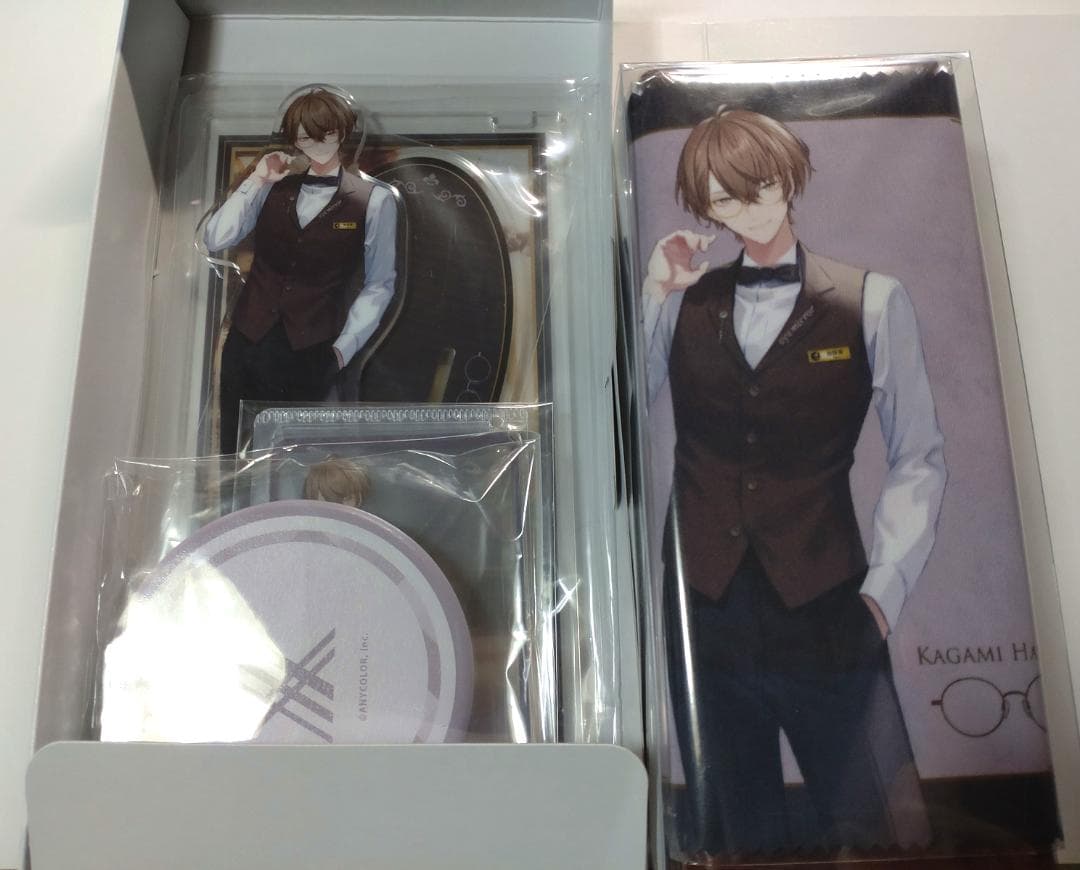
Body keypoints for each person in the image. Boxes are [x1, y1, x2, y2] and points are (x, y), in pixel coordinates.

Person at [643, 108, 947, 856]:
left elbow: (918, 456)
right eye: (722, 197)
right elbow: (619, 414)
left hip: (826, 602)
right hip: (703, 605)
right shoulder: (683, 301)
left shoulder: (872, 299)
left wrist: (883, 595)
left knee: (875, 825)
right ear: (706, 207)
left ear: (787, 177)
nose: (744, 207)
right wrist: (656, 293)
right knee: (736, 836)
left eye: (757, 186)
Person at [204, 87, 400, 450]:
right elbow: (216, 238)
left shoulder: (374, 200)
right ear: (294, 139)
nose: (316, 144)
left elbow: (380, 283)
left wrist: (342, 350)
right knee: (233, 454)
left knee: (297, 456)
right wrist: (257, 178)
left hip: (311, 349)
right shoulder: (272, 187)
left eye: (325, 133)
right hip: (246, 340)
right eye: (305, 136)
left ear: (342, 132)